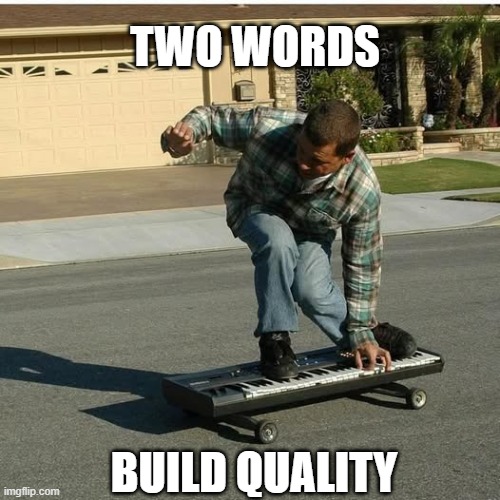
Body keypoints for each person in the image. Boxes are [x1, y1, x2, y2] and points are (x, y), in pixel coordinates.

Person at [160, 100, 416, 380]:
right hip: (253, 206)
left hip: (311, 229)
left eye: (317, 161)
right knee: (278, 241)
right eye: (301, 150)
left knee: (311, 291)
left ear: (346, 157)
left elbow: (362, 264)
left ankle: (366, 333)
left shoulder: (361, 192)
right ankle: (275, 340)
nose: (303, 163)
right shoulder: (268, 127)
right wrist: (183, 138)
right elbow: (210, 118)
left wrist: (361, 328)